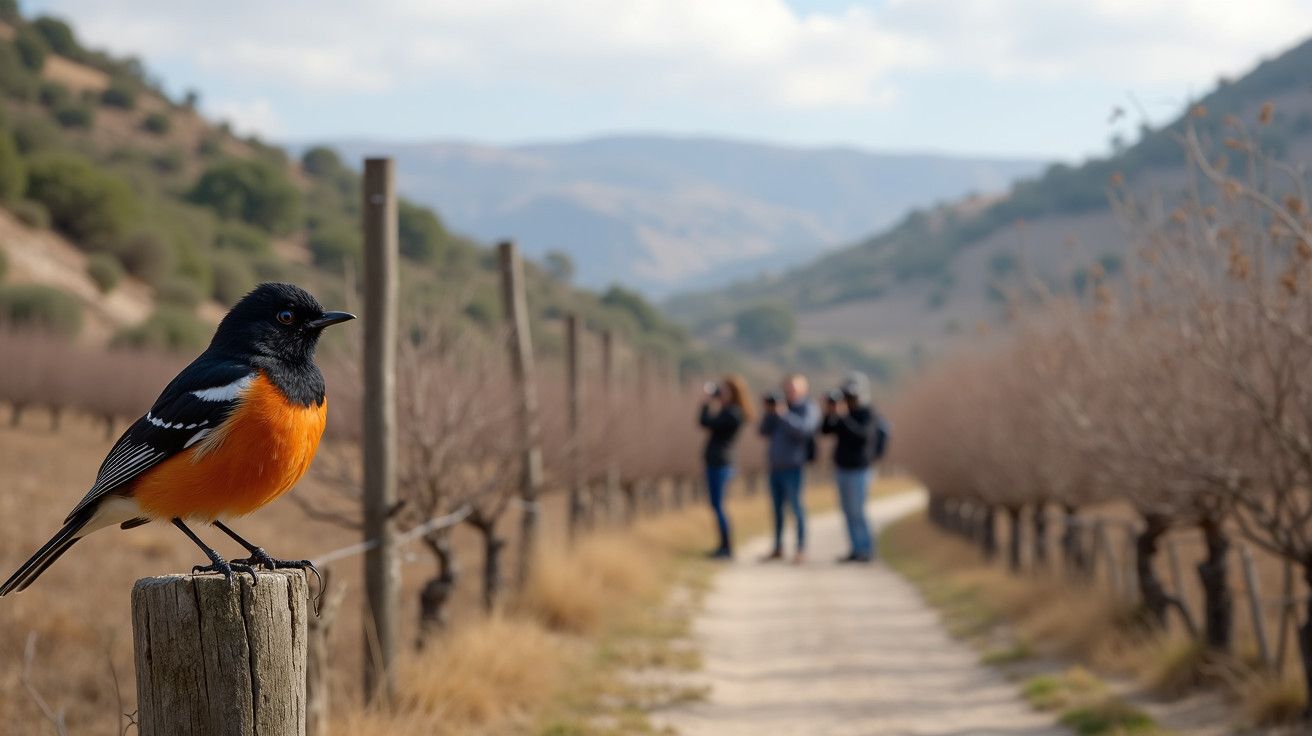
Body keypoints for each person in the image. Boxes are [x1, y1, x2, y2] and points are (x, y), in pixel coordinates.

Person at [820, 372, 884, 563]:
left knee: (858, 510)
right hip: (842, 468)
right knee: (847, 511)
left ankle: (866, 549)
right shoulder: (842, 413)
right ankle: (855, 549)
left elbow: (861, 436)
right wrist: (830, 412)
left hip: (859, 469)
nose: (849, 399)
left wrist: (844, 416)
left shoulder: (867, 412)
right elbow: (825, 431)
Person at [759, 373, 820, 564]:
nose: (790, 391)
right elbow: (762, 430)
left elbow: (805, 430)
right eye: (788, 388)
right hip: (775, 466)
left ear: (803, 389)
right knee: (776, 510)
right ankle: (778, 547)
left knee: (796, 508)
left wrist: (784, 414)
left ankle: (801, 549)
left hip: (794, 466)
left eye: (794, 388)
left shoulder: (807, 407)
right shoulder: (778, 408)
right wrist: (770, 412)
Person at [698, 374, 754, 559]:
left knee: (719, 505)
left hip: (722, 463)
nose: (720, 393)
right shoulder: (729, 410)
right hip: (717, 463)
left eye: (723, 390)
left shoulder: (733, 413)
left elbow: (705, 422)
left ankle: (726, 547)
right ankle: (723, 546)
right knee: (716, 505)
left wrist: (707, 402)